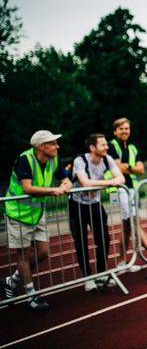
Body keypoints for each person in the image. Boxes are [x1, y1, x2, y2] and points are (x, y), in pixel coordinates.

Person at [1, 131, 72, 310]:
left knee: (43, 252)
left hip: (37, 212)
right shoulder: (25, 159)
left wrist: (65, 185)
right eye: (53, 143)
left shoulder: (54, 160)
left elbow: (65, 179)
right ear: (41, 146)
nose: (58, 146)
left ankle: (11, 281)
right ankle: (31, 295)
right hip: (17, 213)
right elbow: (27, 187)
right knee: (24, 255)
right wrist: (53, 191)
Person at [107, 118, 147, 272]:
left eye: (127, 128)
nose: (124, 131)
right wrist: (130, 167)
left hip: (131, 188)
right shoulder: (112, 146)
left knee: (127, 226)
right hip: (119, 189)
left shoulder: (132, 148)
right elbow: (117, 167)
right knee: (134, 222)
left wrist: (128, 167)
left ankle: (122, 262)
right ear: (115, 131)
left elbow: (141, 169)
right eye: (121, 129)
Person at [69, 134, 125, 292]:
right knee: (81, 242)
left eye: (106, 144)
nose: (107, 147)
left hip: (95, 204)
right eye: (103, 145)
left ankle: (101, 273)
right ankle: (88, 277)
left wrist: (102, 184)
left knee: (104, 239)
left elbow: (120, 178)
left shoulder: (108, 159)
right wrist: (109, 182)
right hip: (77, 204)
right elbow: (85, 182)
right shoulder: (80, 160)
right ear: (92, 148)